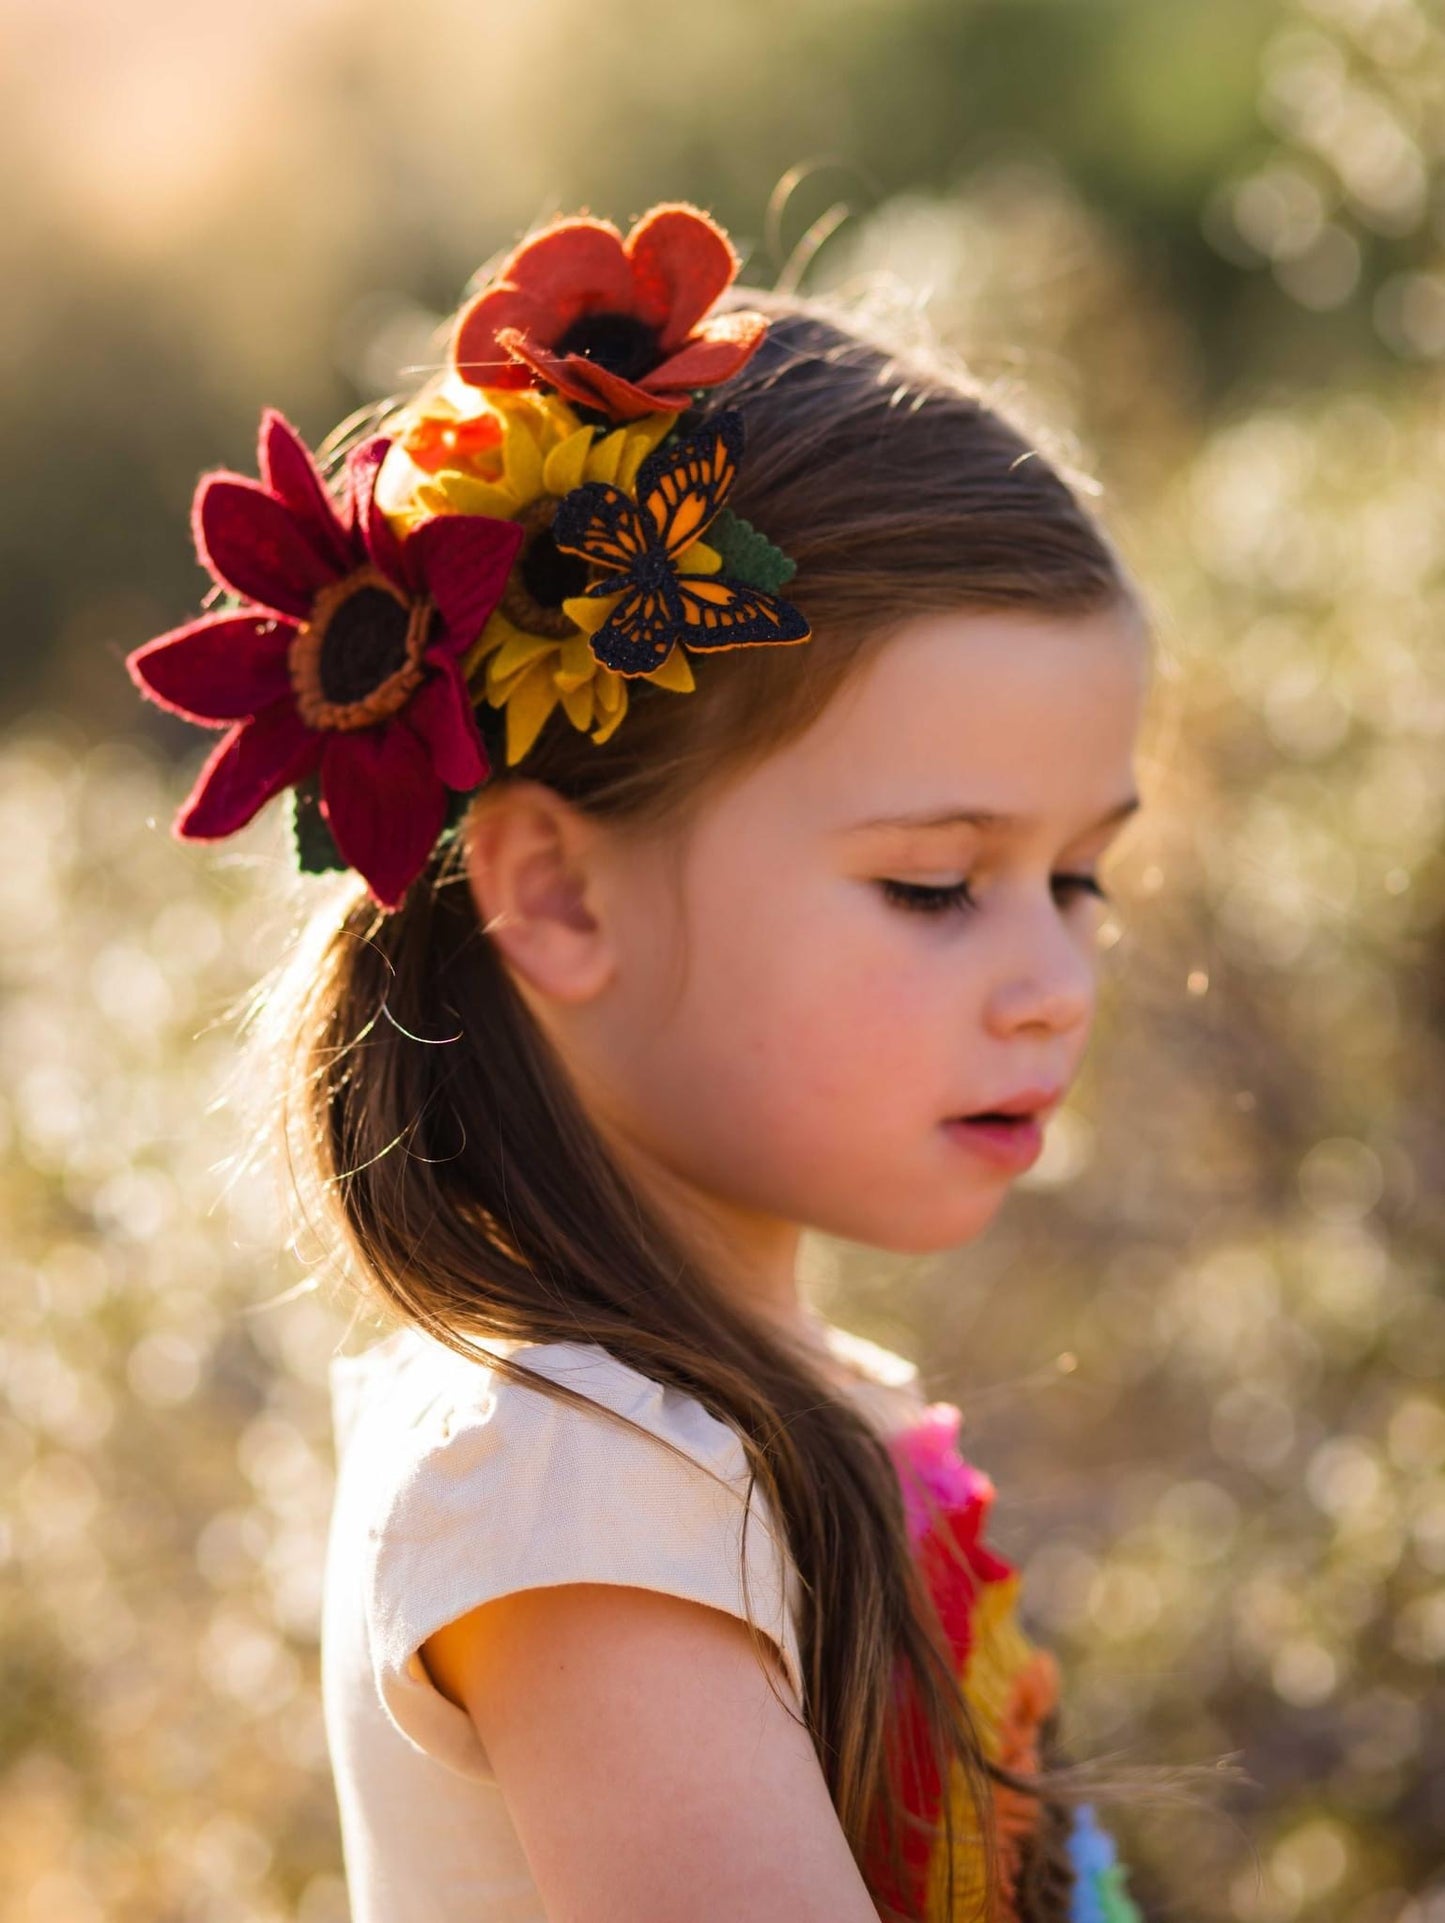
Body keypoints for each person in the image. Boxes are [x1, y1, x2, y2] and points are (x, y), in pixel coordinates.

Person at [127, 200, 1153, 1921]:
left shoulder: (757, 1420)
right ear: (556, 891)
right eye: (933, 884)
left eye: (1078, 878)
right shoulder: (565, 1484)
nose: (1052, 980)